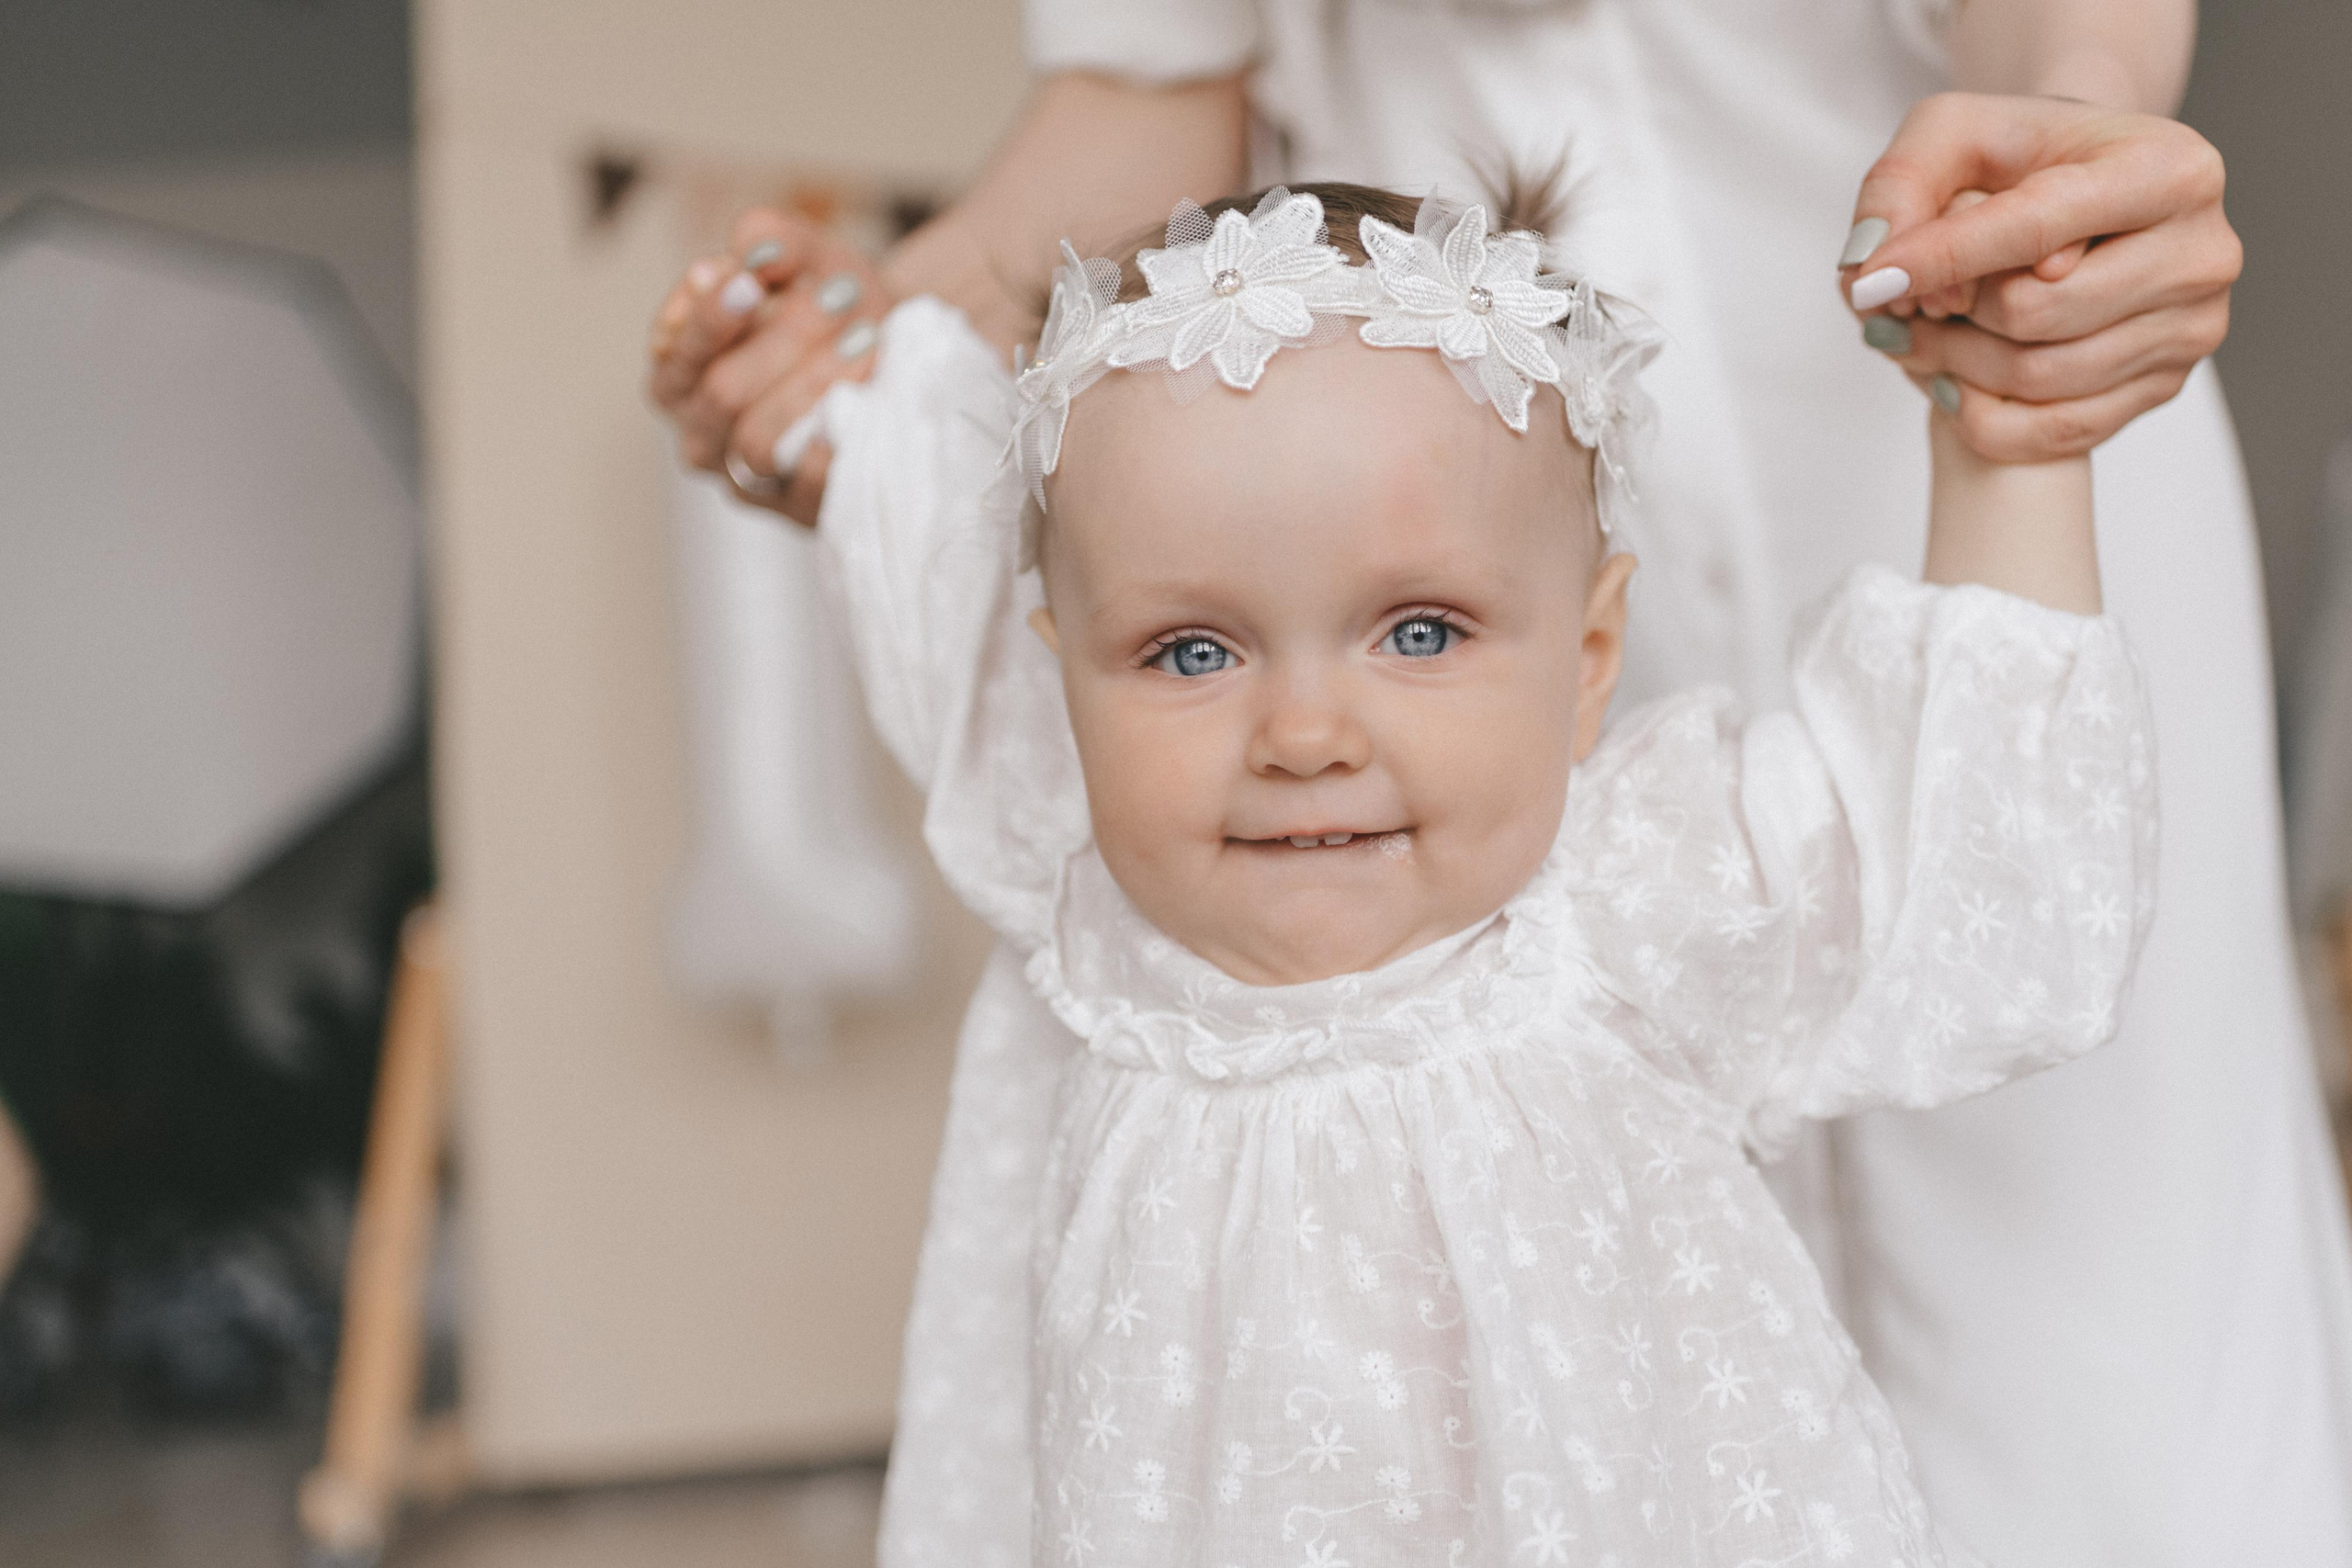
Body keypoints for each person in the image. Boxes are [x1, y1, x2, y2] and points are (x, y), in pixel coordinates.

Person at [646, 4, 2352, 1562]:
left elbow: (1947, 859)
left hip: (1811, 398)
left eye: (1407, 640)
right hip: (1329, 448)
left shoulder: (1645, 896)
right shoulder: (1100, 892)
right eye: (1189, 658)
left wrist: (2023, 402)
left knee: (2135, 1423)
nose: (1299, 734)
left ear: (1597, 654)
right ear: (1063, 663)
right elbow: (1128, 112)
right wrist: (863, 389)